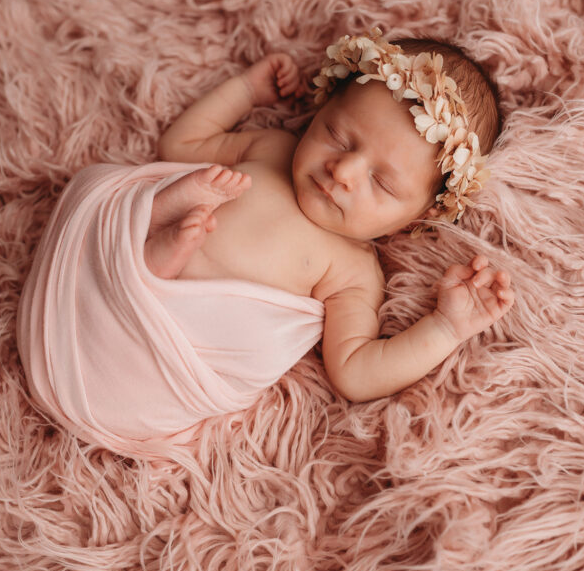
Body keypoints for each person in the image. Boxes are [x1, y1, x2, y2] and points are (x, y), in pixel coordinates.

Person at [145, 29, 515, 403]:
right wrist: (246, 91)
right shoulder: (273, 150)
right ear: (320, 112)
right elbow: (179, 146)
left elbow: (356, 373)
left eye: (382, 183)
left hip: (174, 350)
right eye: (337, 136)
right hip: (124, 267)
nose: (343, 170)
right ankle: (153, 258)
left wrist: (445, 328)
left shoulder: (352, 271)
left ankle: (164, 264)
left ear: (417, 219)